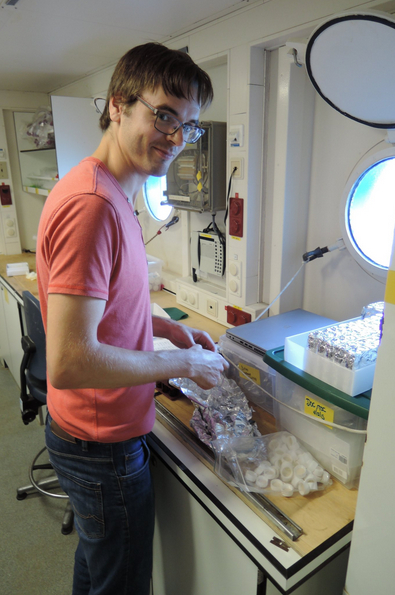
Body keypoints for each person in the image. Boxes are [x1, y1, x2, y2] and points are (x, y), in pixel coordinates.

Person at [36, 42, 228, 595]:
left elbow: (111, 302)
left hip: (88, 431)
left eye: (188, 126)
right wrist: (185, 361)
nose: (176, 138)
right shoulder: (93, 206)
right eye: (164, 114)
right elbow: (70, 361)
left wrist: (165, 328)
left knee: (97, 568)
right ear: (118, 105)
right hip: (101, 444)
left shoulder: (116, 190)